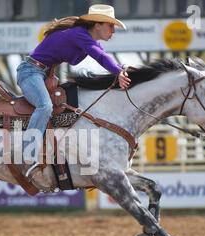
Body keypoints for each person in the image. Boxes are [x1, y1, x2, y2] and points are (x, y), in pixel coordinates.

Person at [16, 4, 131, 174]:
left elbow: (103, 56)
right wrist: (117, 71)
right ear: (97, 24)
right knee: (45, 106)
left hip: (39, 74)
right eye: (110, 25)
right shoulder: (79, 34)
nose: (113, 31)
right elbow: (100, 56)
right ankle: (27, 153)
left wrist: (123, 69)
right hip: (30, 72)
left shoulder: (85, 38)